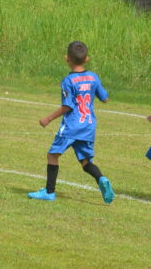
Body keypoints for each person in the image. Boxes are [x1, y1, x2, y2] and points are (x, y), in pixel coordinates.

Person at [28, 41, 115, 203]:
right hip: (88, 126)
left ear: (67, 58)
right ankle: (101, 178)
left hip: (72, 127)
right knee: (85, 161)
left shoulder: (68, 81)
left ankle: (49, 192)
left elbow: (67, 106)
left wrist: (48, 118)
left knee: (52, 155)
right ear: (87, 59)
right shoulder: (93, 77)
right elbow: (105, 99)